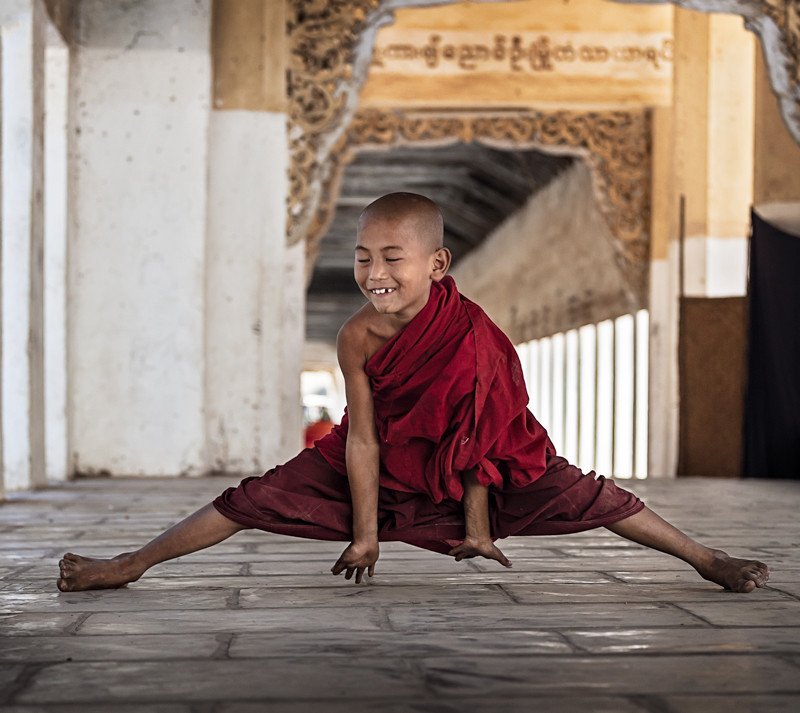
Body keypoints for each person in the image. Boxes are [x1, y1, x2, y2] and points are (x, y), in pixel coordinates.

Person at [57, 192, 770, 593]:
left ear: (436, 262)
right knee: (253, 498)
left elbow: (480, 438)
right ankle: (128, 564)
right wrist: (366, 534)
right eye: (363, 256)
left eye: (393, 258)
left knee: (591, 493)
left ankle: (707, 559)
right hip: (378, 460)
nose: (375, 272)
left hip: (487, 466)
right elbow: (361, 435)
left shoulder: (473, 334)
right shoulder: (357, 337)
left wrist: (479, 523)